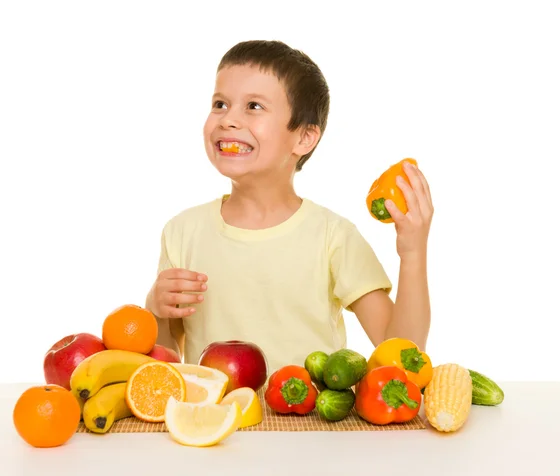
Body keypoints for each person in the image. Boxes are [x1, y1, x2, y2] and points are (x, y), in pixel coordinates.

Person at [145, 40, 434, 373]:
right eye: (220, 104)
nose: (228, 120)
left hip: (310, 422)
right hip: (220, 420)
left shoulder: (332, 236)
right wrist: (156, 309)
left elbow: (402, 351)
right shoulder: (182, 232)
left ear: (304, 138)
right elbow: (169, 363)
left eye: (253, 106)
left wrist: (413, 252)